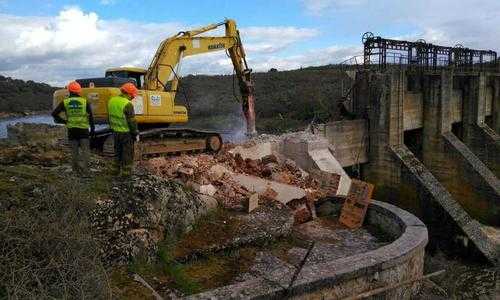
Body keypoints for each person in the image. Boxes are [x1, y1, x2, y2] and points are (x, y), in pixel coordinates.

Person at [52, 81, 95, 176]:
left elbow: (54, 114)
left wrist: (64, 121)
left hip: (72, 130)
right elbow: (91, 117)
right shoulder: (84, 102)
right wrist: (92, 129)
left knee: (74, 151)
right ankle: (86, 172)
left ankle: (75, 171)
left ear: (69, 91)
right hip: (83, 130)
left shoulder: (65, 102)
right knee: (85, 151)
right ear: (79, 91)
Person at [108, 82, 139, 176]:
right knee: (127, 154)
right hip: (126, 133)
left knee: (117, 153)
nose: (133, 97)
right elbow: (132, 122)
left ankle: (114, 171)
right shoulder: (127, 104)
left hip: (116, 132)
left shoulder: (112, 100)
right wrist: (135, 133)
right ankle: (126, 175)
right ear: (129, 93)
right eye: (132, 95)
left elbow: (109, 117)